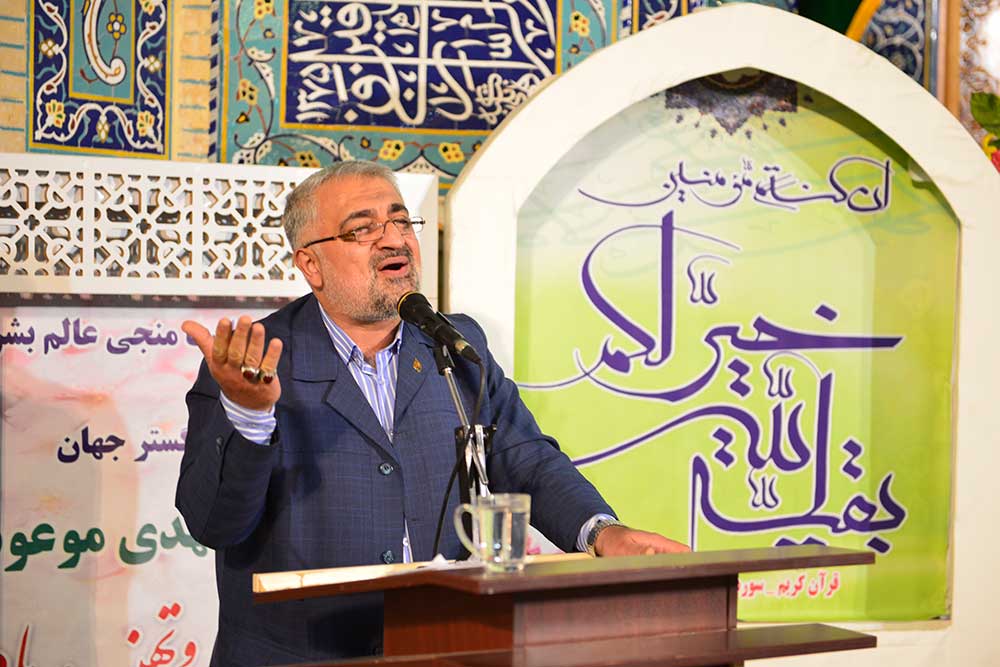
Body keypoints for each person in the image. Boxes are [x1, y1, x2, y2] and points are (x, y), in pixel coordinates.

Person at [176, 160, 689, 667]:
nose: (394, 239)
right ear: (311, 264)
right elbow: (213, 523)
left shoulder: (454, 344)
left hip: (440, 648)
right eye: (363, 228)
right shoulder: (255, 361)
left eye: (401, 221)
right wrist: (249, 417)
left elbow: (526, 460)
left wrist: (602, 533)